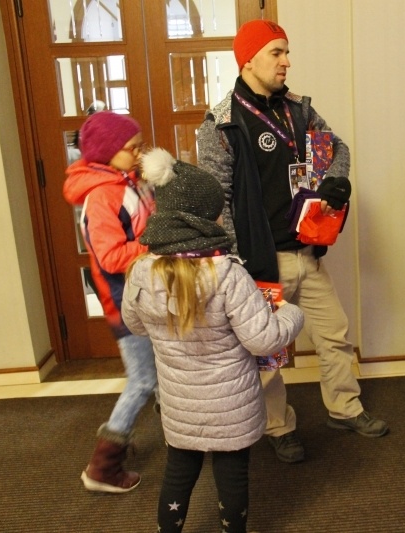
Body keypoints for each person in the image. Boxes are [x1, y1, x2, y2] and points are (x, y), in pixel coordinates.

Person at [197, 19, 388, 464]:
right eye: (276, 53)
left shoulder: (298, 111)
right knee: (267, 355)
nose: (286, 62)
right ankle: (278, 427)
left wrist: (335, 182)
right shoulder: (222, 123)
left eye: (287, 52)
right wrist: (234, 261)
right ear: (248, 59)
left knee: (335, 336)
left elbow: (336, 149)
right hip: (262, 262)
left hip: (307, 251)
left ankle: (344, 408)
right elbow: (216, 199)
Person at [122, 148, 304, 533]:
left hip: (179, 402)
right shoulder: (227, 275)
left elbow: (135, 325)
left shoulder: (141, 272)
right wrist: (291, 313)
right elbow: (263, 339)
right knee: (232, 475)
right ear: (204, 216)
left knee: (179, 472)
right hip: (230, 404)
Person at [62, 110, 158, 493]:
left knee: (161, 370)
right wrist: (160, 244)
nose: (138, 153)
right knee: (143, 380)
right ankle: (102, 468)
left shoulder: (127, 182)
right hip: (126, 305)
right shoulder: (103, 195)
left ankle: (183, 436)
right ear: (106, 152)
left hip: (145, 296)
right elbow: (112, 257)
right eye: (130, 148)